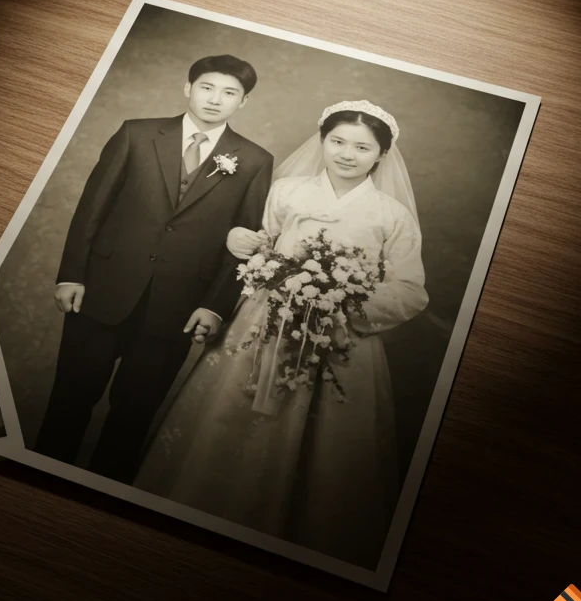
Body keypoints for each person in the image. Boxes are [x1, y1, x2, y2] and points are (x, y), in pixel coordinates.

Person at [135, 100, 428, 569]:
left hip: (338, 341)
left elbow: (411, 291)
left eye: (361, 147)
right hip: (264, 325)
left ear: (381, 154)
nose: (346, 154)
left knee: (323, 440)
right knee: (232, 415)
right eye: (337, 141)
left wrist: (341, 304)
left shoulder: (390, 215)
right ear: (321, 142)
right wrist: (245, 245)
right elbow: (261, 246)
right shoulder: (289, 191)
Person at [31, 55, 274, 484]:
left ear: (244, 102)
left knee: (134, 416)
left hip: (176, 310)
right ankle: (36, 486)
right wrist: (71, 274)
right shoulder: (137, 134)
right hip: (102, 293)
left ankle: (98, 504)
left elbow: (244, 242)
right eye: (206, 88)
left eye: (229, 93)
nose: (216, 100)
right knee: (69, 401)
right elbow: (92, 209)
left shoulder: (253, 160)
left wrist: (215, 306)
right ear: (188, 89)